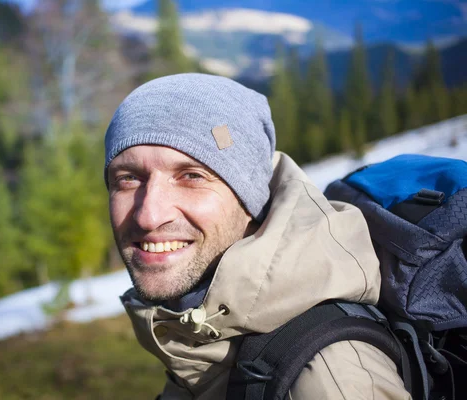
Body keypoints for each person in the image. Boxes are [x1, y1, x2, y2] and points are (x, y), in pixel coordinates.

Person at [104, 73, 409, 399]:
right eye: (128, 179)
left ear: (250, 197)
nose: (149, 215)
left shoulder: (330, 378)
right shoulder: (193, 337)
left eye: (191, 176)